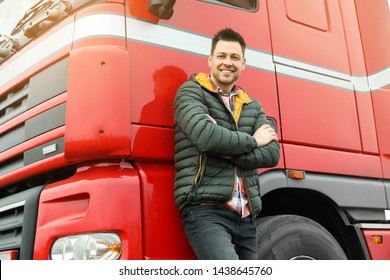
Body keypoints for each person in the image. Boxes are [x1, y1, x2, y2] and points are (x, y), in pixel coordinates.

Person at [173, 27, 280, 260]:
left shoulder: (251, 104)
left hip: (246, 216)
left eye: (234, 57)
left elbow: (272, 153)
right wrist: (253, 140)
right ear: (210, 60)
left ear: (244, 63)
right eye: (221, 56)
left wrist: (227, 149)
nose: (227, 63)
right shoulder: (191, 93)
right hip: (205, 209)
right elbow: (207, 138)